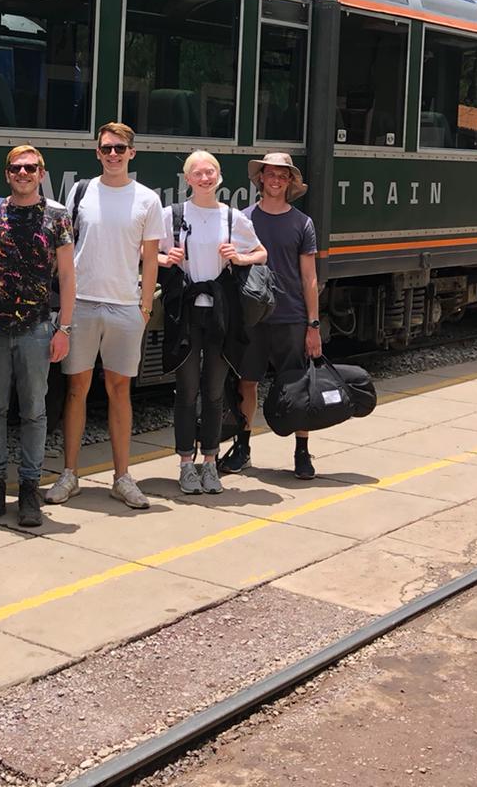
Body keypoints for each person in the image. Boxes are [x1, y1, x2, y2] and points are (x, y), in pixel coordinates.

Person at [47, 122, 165, 510]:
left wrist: (145, 307)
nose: (113, 154)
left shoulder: (148, 200)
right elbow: (67, 253)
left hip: (124, 308)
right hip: (81, 305)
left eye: (120, 148)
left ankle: (122, 477)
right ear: (97, 153)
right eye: (106, 148)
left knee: (120, 392)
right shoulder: (81, 193)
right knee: (76, 390)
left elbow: (150, 259)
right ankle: (69, 475)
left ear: (133, 153)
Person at [0, 145, 76, 528]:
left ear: (41, 173)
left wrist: (64, 328)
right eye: (16, 168)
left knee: (34, 411)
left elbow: (66, 276)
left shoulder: (57, 216)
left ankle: (30, 490)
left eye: (30, 168)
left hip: (36, 328)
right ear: (7, 174)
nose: (23, 173)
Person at [157, 151, 266, 495]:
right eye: (198, 173)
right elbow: (144, 254)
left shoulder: (233, 218)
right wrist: (166, 258)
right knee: (187, 390)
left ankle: (210, 462)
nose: (205, 178)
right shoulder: (171, 215)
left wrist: (241, 256)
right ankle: (186, 463)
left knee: (215, 390)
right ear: (187, 178)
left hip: (220, 312)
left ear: (219, 177)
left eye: (211, 172)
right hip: (187, 311)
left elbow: (261, 253)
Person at [222, 152, 323, 479]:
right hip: (253, 316)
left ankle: (302, 452)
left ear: (290, 182)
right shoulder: (244, 218)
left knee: (297, 386)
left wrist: (313, 325)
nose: (276, 180)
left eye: (283, 175)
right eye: (271, 174)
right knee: (246, 383)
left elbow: (309, 277)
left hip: (291, 316)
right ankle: (243, 447)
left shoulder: (302, 223)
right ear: (261, 179)